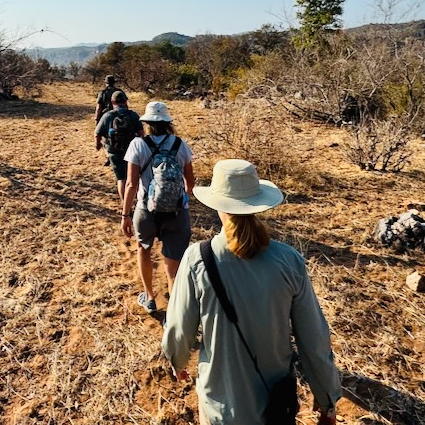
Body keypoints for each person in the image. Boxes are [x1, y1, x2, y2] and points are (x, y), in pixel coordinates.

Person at [162, 159, 341, 425]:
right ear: (259, 204)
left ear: (217, 204)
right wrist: (326, 397)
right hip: (275, 404)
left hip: (220, 406)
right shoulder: (289, 260)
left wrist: (177, 361)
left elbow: (178, 329)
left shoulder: (196, 259)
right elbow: (313, 339)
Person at [120, 101, 195, 314]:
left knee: (143, 249)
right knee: (173, 267)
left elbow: (131, 184)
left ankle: (149, 297)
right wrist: (182, 200)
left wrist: (126, 214)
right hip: (177, 212)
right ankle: (175, 311)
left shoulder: (137, 145)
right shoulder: (180, 145)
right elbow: (190, 181)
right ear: (167, 123)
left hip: (146, 211)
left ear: (146, 123)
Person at [95, 91, 144, 202]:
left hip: (114, 151)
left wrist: (98, 145)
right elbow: (141, 133)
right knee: (133, 177)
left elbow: (97, 133)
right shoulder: (133, 115)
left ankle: (125, 204)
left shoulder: (108, 115)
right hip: (132, 151)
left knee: (121, 178)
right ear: (126, 101)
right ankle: (134, 200)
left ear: (112, 102)